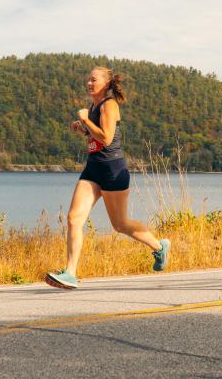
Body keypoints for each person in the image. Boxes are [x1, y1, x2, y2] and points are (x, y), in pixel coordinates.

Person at [45, 66, 170, 290]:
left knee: (120, 224)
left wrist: (86, 120)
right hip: (93, 169)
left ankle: (159, 247)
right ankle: (70, 273)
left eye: (93, 80)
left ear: (106, 83)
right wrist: (83, 129)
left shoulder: (109, 105)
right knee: (74, 218)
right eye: (88, 80)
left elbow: (107, 137)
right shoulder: (94, 106)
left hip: (113, 169)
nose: (89, 83)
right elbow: (95, 138)